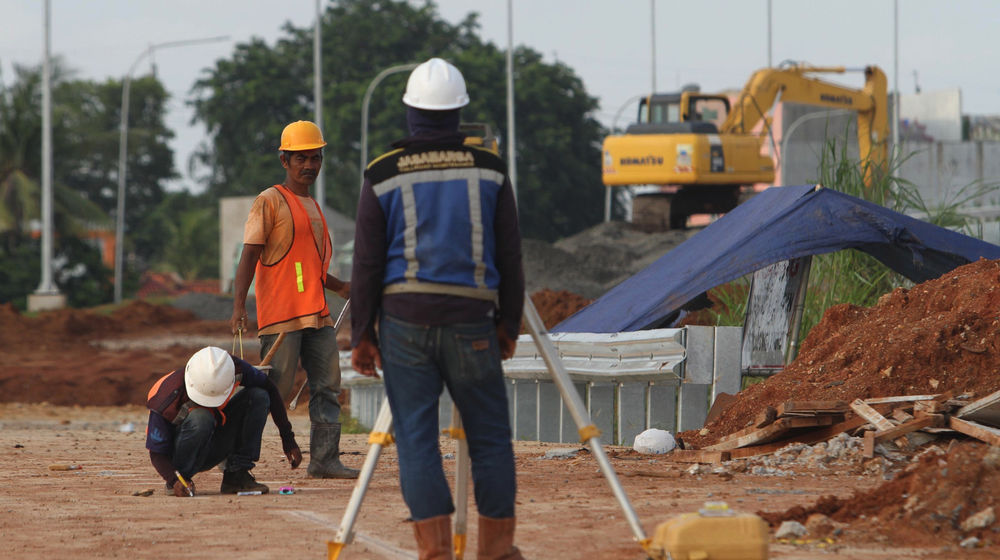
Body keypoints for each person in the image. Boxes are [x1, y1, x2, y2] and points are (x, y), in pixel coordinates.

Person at [351, 58, 525, 560]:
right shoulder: (490, 169)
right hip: (472, 322)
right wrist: (509, 324)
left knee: (416, 440)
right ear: (458, 113)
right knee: (490, 438)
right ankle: (497, 551)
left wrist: (362, 335)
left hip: (404, 325)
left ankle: (436, 552)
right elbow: (510, 255)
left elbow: (366, 263)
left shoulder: (382, 173)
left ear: (411, 112)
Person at [229, 120, 358, 479]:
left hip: (317, 314)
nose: (309, 165)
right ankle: (235, 459)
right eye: (301, 158)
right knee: (272, 392)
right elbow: (249, 255)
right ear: (284, 160)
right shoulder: (269, 201)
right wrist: (239, 307)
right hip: (282, 316)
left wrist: (341, 288)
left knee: (328, 385)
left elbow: (309, 266)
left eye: (315, 158)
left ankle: (325, 460)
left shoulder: (313, 207)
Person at [145, 346, 302, 496]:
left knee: (258, 396)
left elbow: (270, 389)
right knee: (201, 417)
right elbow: (156, 453)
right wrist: (174, 479)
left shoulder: (233, 368)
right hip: (182, 457)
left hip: (214, 441)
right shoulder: (166, 397)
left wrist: (288, 438)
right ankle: (182, 481)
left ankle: (237, 475)